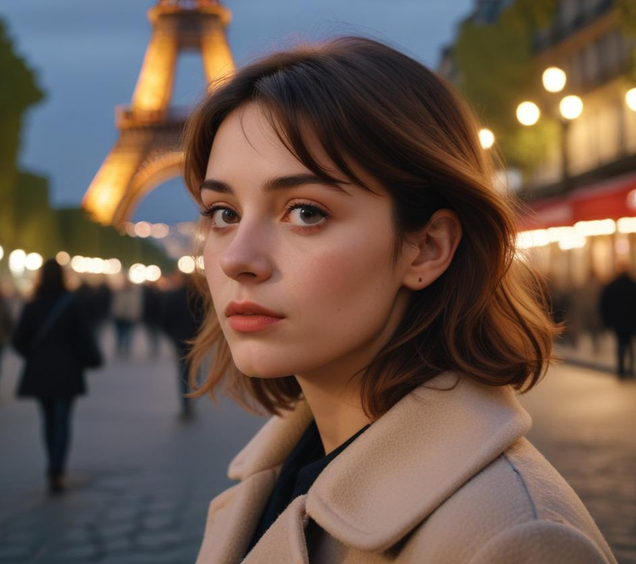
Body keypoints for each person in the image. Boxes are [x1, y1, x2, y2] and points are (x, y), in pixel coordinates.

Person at [180, 37, 617, 563]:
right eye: (223, 213)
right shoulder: (276, 477)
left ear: (426, 249)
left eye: (305, 212)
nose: (236, 259)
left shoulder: (512, 539)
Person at [12, 259, 98, 493]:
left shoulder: (32, 305)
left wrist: (34, 355)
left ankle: (51, 463)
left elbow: (18, 340)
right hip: (67, 371)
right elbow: (84, 338)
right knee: (62, 420)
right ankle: (58, 469)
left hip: (41, 371)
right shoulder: (71, 304)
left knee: (48, 420)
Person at [161, 270, 204, 420]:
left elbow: (165, 318)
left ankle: (185, 401)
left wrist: (172, 334)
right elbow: (205, 317)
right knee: (195, 368)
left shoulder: (173, 296)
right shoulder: (198, 296)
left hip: (179, 339)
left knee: (182, 371)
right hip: (197, 338)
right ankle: (194, 395)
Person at [599, 261, 636, 379]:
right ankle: (630, 368)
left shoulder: (612, 285)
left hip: (618, 321)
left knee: (620, 344)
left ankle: (621, 369)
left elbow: (604, 304)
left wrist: (607, 320)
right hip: (631, 321)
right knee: (629, 343)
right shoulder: (632, 285)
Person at [110, 275, 142, 357]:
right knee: (119, 334)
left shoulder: (135, 293)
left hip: (129, 317)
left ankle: (127, 348)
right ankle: (120, 347)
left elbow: (136, 306)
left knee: (128, 334)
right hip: (119, 316)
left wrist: (136, 315)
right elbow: (115, 304)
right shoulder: (119, 292)